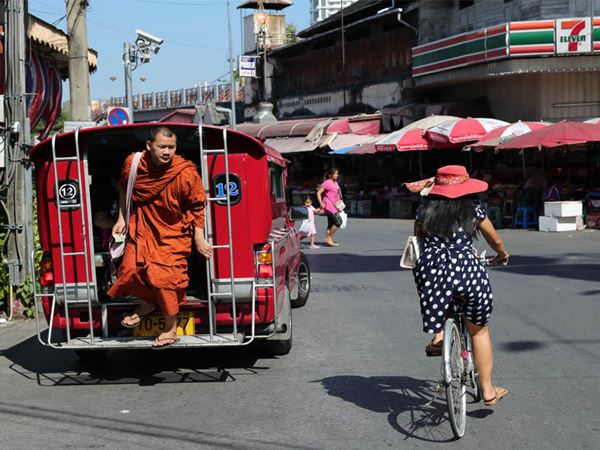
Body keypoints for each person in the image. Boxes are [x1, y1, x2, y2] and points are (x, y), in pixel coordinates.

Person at [406, 165, 509, 406]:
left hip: (432, 270)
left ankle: (439, 335)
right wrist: (502, 253)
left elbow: (417, 239)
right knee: (479, 330)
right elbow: (495, 240)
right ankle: (487, 390)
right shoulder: (474, 209)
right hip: (467, 270)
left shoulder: (424, 210)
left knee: (436, 291)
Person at [108, 126, 212, 349]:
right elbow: (124, 188)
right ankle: (146, 303)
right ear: (149, 146)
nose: (167, 152)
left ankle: (170, 328)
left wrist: (199, 238)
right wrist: (121, 219)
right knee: (128, 271)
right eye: (162, 147)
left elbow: (197, 206)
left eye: (172, 147)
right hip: (142, 226)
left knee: (162, 277)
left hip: (173, 233)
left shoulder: (185, 172)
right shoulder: (134, 163)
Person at [316, 167, 343, 247]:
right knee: (338, 222)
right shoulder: (327, 183)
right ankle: (329, 237)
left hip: (335, 205)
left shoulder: (335, 183)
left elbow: (337, 194)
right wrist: (321, 202)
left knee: (331, 224)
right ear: (330, 175)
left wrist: (340, 205)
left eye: (337, 174)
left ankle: (329, 240)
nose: (337, 175)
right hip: (329, 205)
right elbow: (318, 193)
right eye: (335, 174)